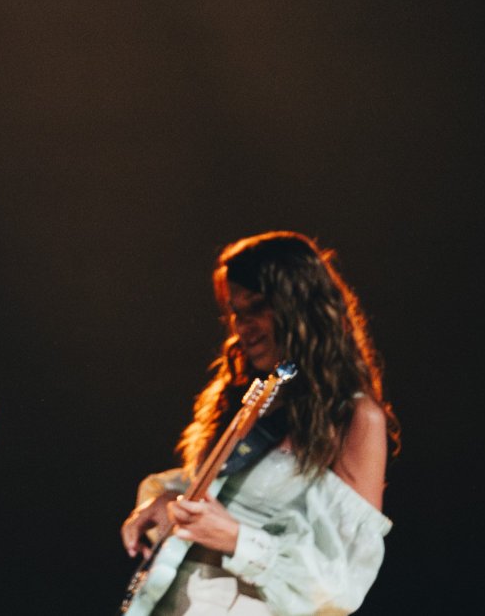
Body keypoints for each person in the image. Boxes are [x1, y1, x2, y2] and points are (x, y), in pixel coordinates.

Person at [120, 231, 400, 616]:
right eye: (235, 311)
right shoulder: (245, 392)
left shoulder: (355, 418)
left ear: (302, 308)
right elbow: (229, 498)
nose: (242, 326)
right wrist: (171, 502)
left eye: (257, 308)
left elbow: (342, 583)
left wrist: (236, 540)